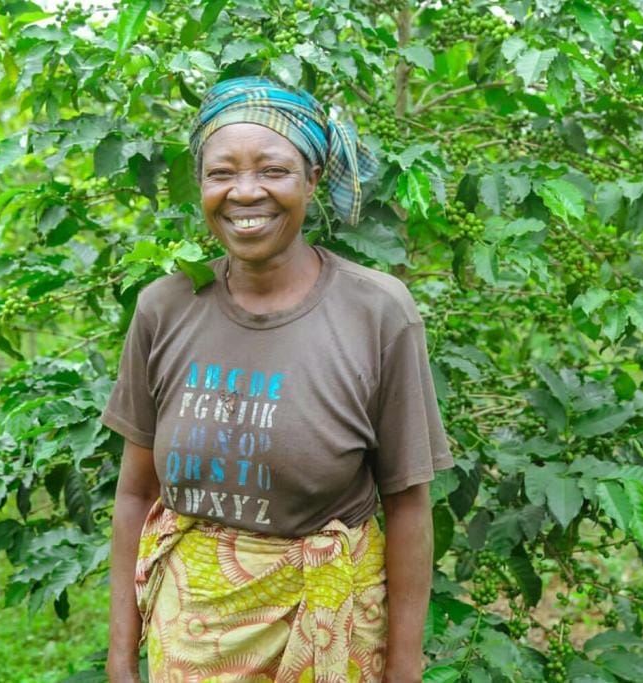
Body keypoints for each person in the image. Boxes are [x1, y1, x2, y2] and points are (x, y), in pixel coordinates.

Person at [101, 76, 452, 683]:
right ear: (201, 183)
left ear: (312, 179)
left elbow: (408, 504)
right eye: (221, 173)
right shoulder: (165, 306)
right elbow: (135, 495)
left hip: (330, 633)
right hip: (191, 640)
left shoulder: (377, 312)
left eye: (273, 170)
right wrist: (119, 658)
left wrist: (405, 666)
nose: (244, 192)